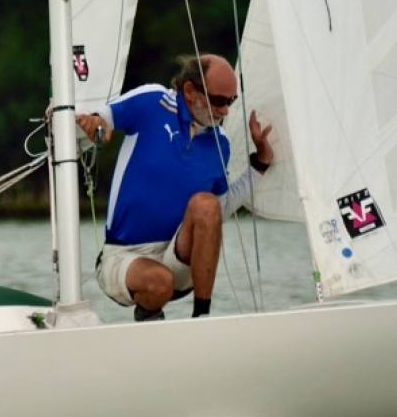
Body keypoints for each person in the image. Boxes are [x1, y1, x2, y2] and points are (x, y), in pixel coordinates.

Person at [75, 53, 273, 322]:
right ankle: (149, 311)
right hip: (124, 257)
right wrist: (96, 120)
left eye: (231, 101)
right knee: (159, 282)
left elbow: (219, 210)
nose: (226, 111)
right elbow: (107, 115)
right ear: (190, 91)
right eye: (218, 101)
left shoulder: (220, 143)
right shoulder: (153, 101)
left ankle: (201, 319)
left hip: (178, 257)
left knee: (206, 204)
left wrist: (260, 164)